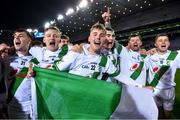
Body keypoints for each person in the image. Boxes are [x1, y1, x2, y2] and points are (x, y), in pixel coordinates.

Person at [53, 22, 152, 88]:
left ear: (104, 40)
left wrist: (141, 87)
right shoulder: (75, 53)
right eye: (95, 34)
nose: (98, 38)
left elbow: (120, 76)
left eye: (101, 36)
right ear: (89, 38)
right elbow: (52, 72)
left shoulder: (105, 60)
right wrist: (37, 72)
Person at [147, 33, 180, 118]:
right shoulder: (149, 56)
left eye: (166, 40)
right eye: (160, 40)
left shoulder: (176, 55)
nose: (163, 42)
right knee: (157, 112)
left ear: (169, 43)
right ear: (155, 44)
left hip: (168, 90)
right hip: (154, 90)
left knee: (167, 115)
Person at [7, 28, 33, 119]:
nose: (16, 38)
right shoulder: (7, 59)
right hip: (16, 107)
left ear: (29, 40)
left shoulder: (37, 58)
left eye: (21, 36)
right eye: (15, 36)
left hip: (36, 105)